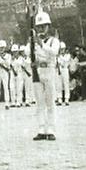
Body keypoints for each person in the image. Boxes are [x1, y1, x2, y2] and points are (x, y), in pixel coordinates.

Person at [31, 9, 59, 141]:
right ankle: (41, 128)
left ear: (48, 26)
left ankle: (51, 129)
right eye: (39, 27)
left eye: (43, 26)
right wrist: (32, 42)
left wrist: (41, 44)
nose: (41, 29)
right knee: (40, 102)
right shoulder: (34, 41)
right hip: (38, 72)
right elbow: (27, 52)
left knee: (50, 102)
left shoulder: (54, 41)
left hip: (49, 71)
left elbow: (53, 53)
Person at [0, 40, 12, 110]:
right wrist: (1, 62)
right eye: (0, 48)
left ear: (5, 48)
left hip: (5, 71)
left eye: (3, 48)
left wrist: (2, 60)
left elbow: (8, 64)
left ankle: (7, 103)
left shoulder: (8, 55)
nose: (1, 49)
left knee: (6, 87)